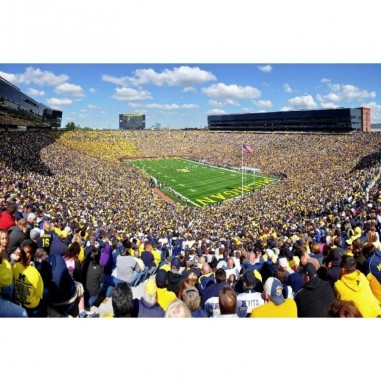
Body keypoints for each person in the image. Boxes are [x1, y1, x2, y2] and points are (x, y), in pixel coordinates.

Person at [12, 241, 45, 317]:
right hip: (32, 305)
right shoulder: (35, 273)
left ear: (20, 254)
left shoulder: (15, 267)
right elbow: (39, 293)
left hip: (18, 301)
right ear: (31, 255)